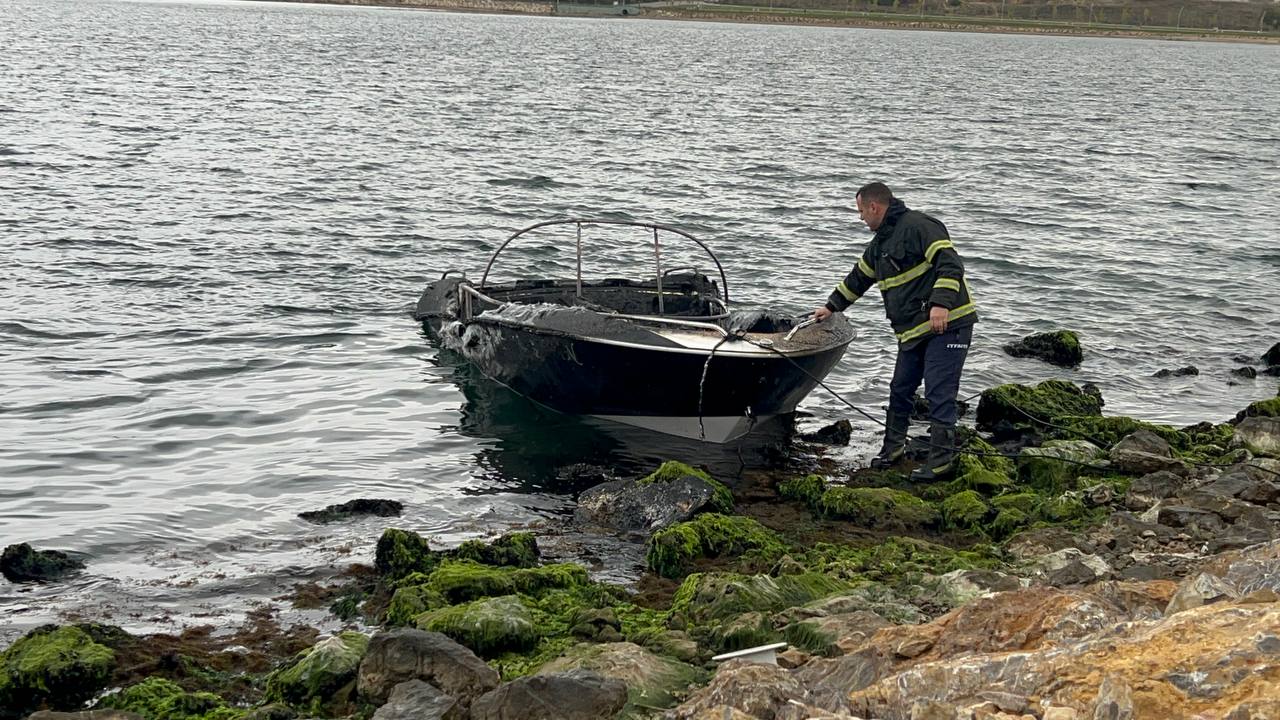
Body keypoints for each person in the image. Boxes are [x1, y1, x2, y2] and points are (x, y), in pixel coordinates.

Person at [813, 182, 978, 481]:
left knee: (939, 391)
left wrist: (941, 304)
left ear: (874, 207)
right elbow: (858, 278)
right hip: (913, 333)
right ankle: (893, 449)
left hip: (949, 325)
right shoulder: (880, 244)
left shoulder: (919, 226)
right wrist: (831, 307)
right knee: (900, 389)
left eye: (861, 212)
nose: (861, 218)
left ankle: (941, 461)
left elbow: (951, 264)